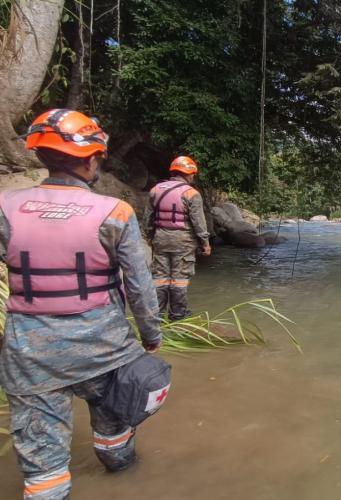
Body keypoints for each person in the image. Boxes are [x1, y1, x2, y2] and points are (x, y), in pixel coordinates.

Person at [0, 109, 162, 499]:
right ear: (92, 160)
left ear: (41, 156)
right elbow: (139, 286)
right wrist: (151, 334)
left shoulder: (5, 207)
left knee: (43, 463)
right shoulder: (115, 212)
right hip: (104, 348)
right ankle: (123, 474)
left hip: (30, 352)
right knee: (113, 429)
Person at [145, 156, 210, 321]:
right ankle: (177, 315)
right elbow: (199, 223)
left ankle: (157, 315)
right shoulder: (192, 194)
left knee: (160, 277)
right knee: (179, 279)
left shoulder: (155, 190)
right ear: (189, 174)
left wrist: (150, 237)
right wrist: (205, 243)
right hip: (183, 241)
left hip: (160, 239)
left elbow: (148, 219)